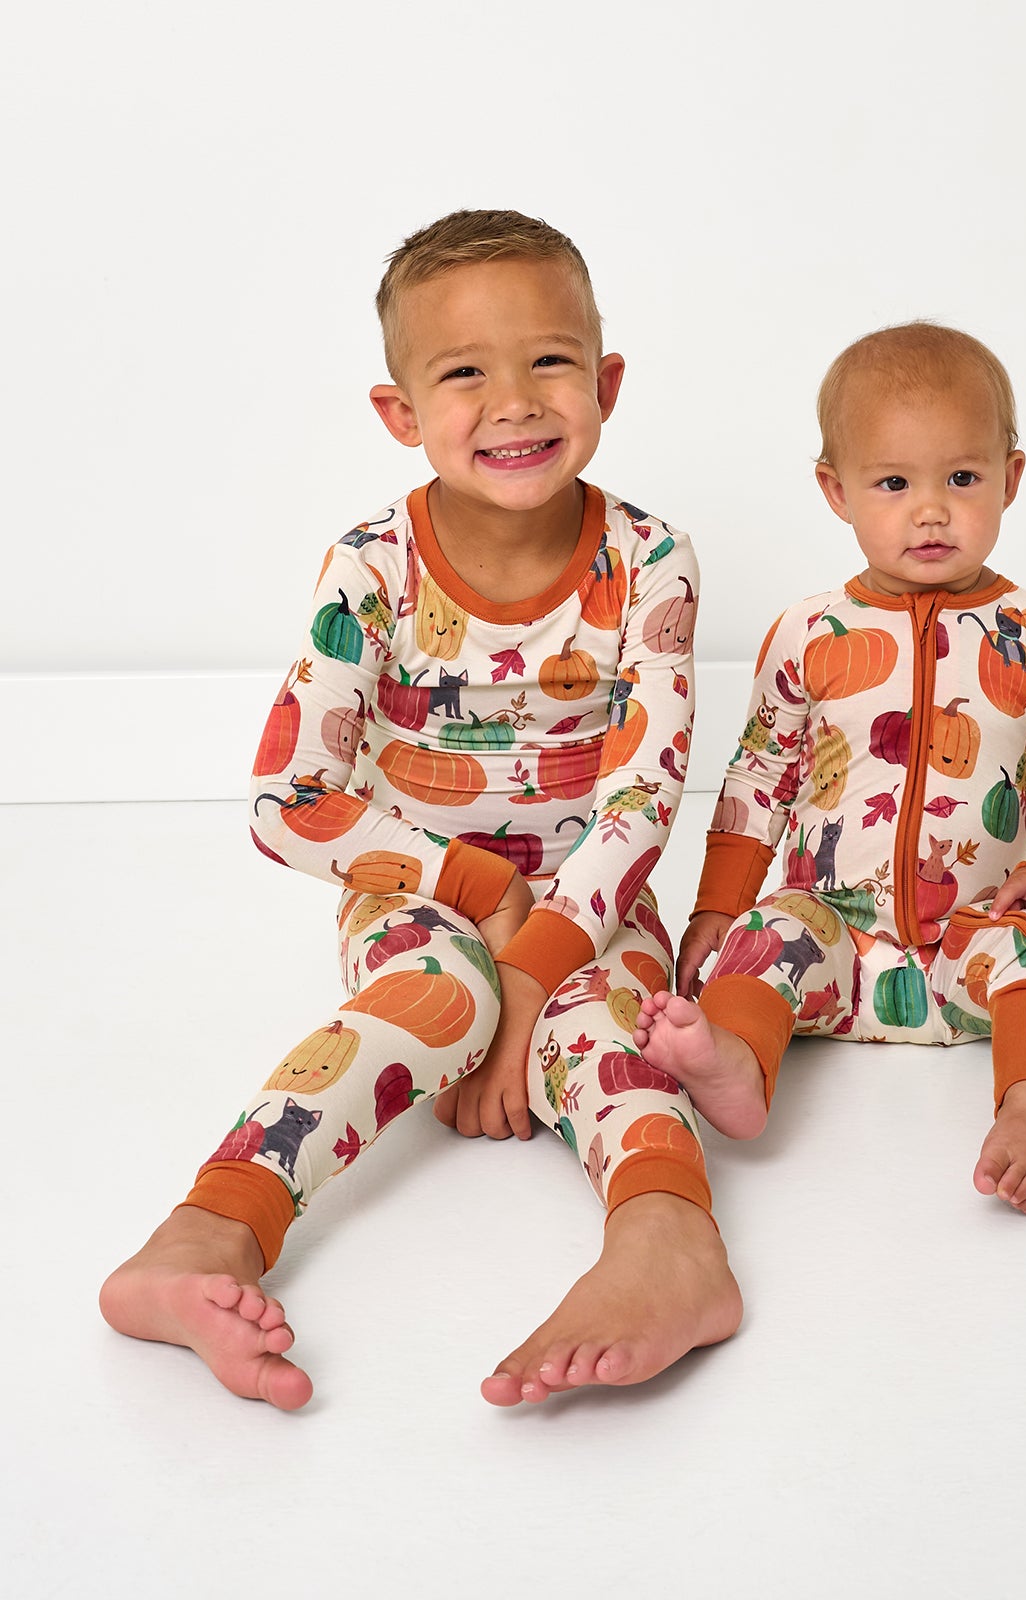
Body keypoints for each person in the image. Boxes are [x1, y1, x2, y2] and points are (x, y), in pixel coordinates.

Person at [100, 209, 740, 1410]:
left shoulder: (650, 560)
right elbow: (290, 802)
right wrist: (487, 909)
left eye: (549, 360)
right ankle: (209, 1228)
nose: (513, 401)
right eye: (463, 373)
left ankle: (669, 1243)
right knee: (433, 993)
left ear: (604, 383)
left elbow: (641, 797)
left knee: (612, 1021)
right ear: (400, 415)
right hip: (421, 892)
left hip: (589, 900)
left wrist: (539, 969)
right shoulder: (369, 568)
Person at [634, 322, 1026, 1217]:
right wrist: (715, 906)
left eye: (962, 479)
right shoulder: (811, 635)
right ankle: (738, 1066)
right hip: (839, 934)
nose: (929, 510)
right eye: (894, 483)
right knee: (767, 939)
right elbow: (757, 781)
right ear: (837, 490)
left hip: (977, 926)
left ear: (1011, 479)